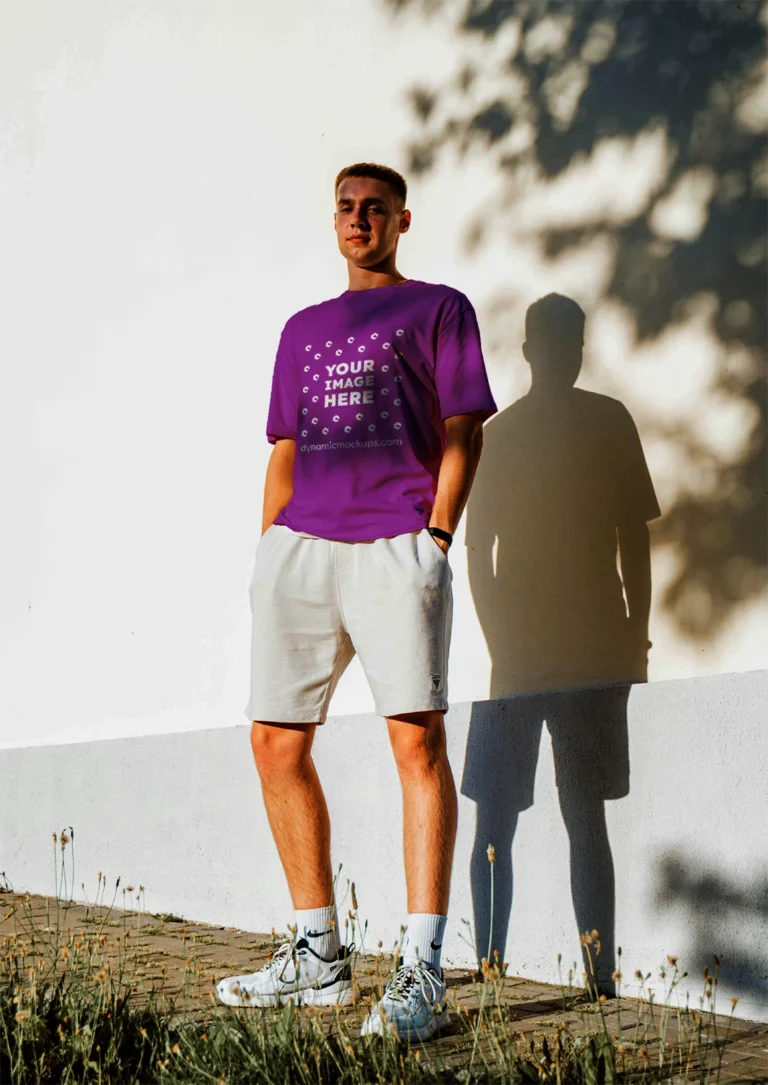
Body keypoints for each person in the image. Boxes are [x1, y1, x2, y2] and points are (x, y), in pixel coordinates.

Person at [216, 162, 496, 1040]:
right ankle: (318, 956)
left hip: (393, 545)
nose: (359, 219)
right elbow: (286, 443)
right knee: (274, 740)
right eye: (346, 207)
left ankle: (421, 972)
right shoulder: (303, 329)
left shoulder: (439, 308)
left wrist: (438, 536)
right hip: (302, 550)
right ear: (334, 219)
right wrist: (270, 548)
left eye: (375, 208)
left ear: (402, 220)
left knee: (416, 742)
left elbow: (462, 427)